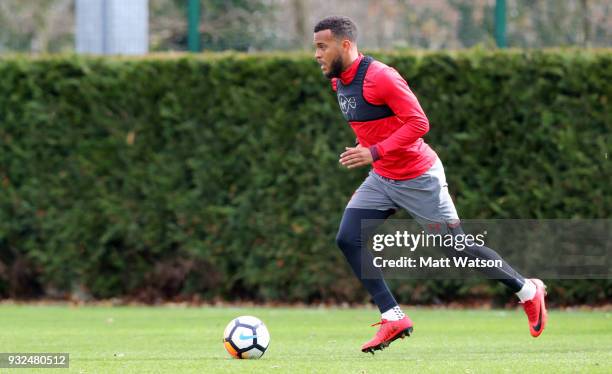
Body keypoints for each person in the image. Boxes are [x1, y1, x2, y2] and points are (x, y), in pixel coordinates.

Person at [313, 16, 548, 354]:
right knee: (348, 238)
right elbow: (373, 124)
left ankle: (527, 290)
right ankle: (393, 316)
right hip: (383, 177)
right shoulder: (339, 83)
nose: (317, 55)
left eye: (322, 47)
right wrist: (371, 152)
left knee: (454, 246)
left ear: (345, 45)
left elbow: (419, 122)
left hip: (420, 178)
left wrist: (374, 151)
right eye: (316, 48)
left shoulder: (381, 76)